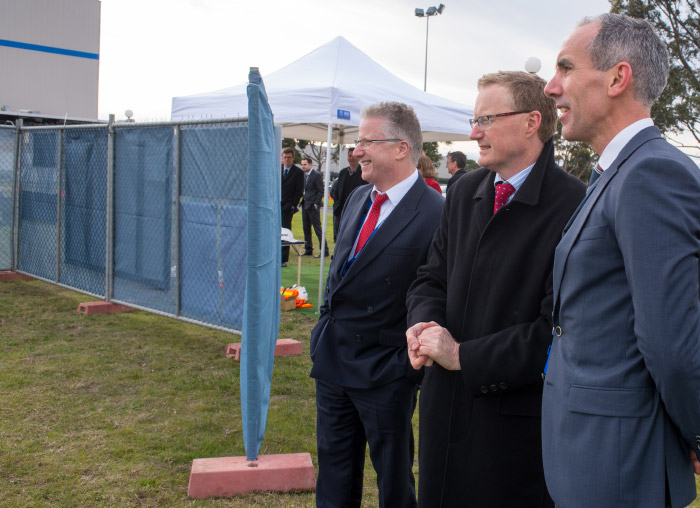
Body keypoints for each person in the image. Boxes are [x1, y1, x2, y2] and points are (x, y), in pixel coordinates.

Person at [405, 71, 585, 508]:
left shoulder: (575, 204)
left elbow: (559, 332)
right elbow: (432, 276)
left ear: (530, 122)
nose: (473, 133)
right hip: (443, 414)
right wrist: (423, 323)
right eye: (474, 119)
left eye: (486, 118)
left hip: (512, 431)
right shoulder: (466, 190)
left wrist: (463, 356)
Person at [541, 13, 700, 508]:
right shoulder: (618, 172)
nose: (551, 87)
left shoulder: (651, 173)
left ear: (616, 78)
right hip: (593, 452)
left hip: (624, 463)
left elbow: (673, 343)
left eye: (565, 68)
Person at [310, 102, 444, 508]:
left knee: (394, 480)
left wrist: (406, 367)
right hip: (334, 361)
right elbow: (340, 272)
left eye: (366, 141)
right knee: (334, 473)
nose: (356, 151)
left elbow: (437, 290)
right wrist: (322, 330)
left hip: (386, 370)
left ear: (401, 148)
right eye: (356, 142)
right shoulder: (358, 199)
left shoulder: (437, 212)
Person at [329, 147, 366, 241]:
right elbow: (336, 190)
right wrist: (337, 201)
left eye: (354, 156)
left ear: (358, 158)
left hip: (356, 209)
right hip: (341, 209)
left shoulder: (363, 173)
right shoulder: (343, 173)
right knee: (338, 235)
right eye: (350, 156)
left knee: (352, 236)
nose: (352, 158)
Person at [300, 157, 329, 258]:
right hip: (305, 205)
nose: (303, 166)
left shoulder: (316, 175)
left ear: (310, 164)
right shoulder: (305, 175)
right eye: (302, 164)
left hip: (313, 206)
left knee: (317, 229)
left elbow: (320, 190)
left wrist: (316, 204)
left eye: (305, 164)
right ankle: (308, 249)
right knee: (306, 228)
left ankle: (324, 250)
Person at [280, 147, 304, 267]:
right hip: (276, 206)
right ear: (282, 158)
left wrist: (292, 206)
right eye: (285, 157)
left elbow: (299, 191)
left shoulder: (298, 173)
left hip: (288, 207)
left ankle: (283, 259)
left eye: (289, 157)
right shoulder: (277, 170)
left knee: (285, 233)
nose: (287, 160)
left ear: (293, 158)